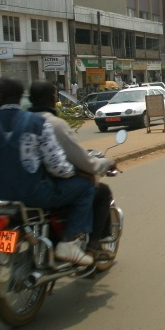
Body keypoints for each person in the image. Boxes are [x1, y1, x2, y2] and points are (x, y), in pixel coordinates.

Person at [0, 77, 95, 266]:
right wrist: (75, 173)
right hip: (35, 195)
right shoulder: (37, 123)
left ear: (4, 97)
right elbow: (57, 166)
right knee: (86, 187)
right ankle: (68, 242)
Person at [29, 80, 118, 256]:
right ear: (53, 100)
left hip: (20, 189)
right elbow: (77, 161)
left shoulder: (21, 123)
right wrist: (103, 164)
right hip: (47, 188)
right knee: (98, 191)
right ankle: (89, 244)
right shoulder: (54, 124)